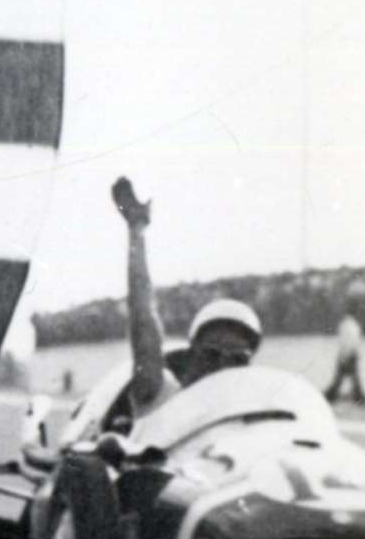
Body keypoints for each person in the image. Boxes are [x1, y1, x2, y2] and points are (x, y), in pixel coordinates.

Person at [105, 176, 263, 433]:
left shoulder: (251, 420)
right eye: (212, 355)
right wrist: (137, 230)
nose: (223, 368)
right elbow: (143, 321)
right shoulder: (161, 393)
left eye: (237, 360)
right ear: (192, 356)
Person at [327, 308, 365, 406]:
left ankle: (330, 397)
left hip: (345, 355)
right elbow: (356, 341)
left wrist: (343, 355)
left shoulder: (345, 326)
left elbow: (344, 342)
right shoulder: (355, 326)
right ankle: (359, 399)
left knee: (339, 379)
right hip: (352, 354)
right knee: (354, 379)